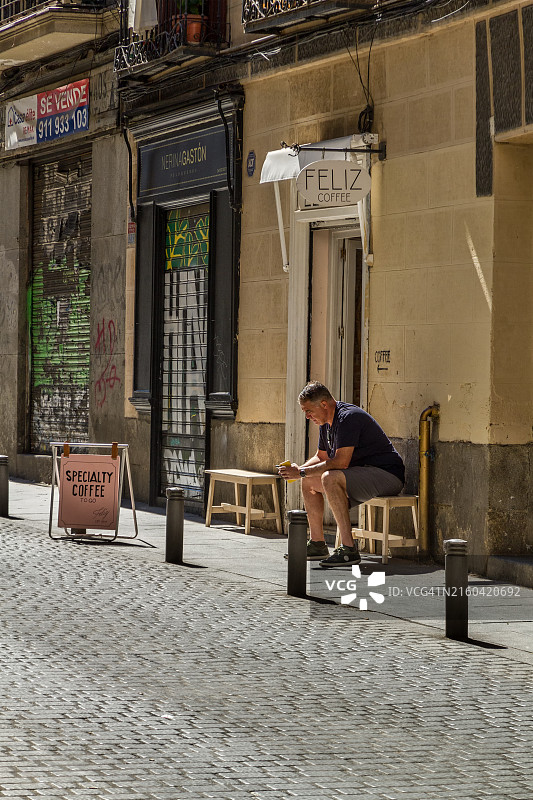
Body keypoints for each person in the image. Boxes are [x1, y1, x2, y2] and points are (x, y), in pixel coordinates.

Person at [278, 382, 405, 568]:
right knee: (309, 482)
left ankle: (348, 549)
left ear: (323, 404)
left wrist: (302, 472)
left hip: (387, 475)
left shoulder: (348, 417)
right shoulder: (325, 423)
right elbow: (320, 457)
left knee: (329, 477)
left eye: (308, 410)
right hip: (361, 474)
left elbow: (340, 462)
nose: (307, 416)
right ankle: (317, 544)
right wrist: (299, 471)